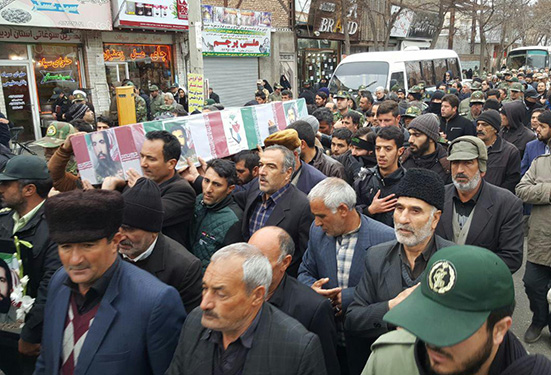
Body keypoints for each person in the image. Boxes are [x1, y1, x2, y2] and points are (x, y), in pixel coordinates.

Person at [36, 189, 186, 375]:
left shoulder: (154, 302)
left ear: (115, 241)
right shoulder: (58, 282)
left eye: (88, 245)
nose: (75, 259)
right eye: (66, 247)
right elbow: (47, 361)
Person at [363, 246, 551, 375]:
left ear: (499, 329)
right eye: (426, 319)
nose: (432, 341)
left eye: (453, 329)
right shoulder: (388, 359)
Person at [345, 169, 454, 375]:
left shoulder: (454, 261)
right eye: (399, 208)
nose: (403, 218)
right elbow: (354, 319)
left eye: (415, 211)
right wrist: (391, 307)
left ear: (435, 219)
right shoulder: (376, 257)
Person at [166, 243, 327, 375]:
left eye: (220, 294)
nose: (204, 304)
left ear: (257, 296)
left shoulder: (297, 347)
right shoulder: (195, 323)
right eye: (205, 288)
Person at [298, 178, 395, 375]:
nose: (316, 223)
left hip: (365, 347)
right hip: (329, 343)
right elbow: (305, 271)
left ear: (343, 210)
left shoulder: (386, 239)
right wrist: (313, 291)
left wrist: (347, 298)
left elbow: (393, 292)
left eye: (321, 216)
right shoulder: (317, 233)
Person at [249, 226, 340, 375]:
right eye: (248, 258)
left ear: (285, 263)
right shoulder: (236, 292)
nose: (251, 267)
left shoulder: (312, 308)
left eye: (261, 261)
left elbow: (324, 366)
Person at [0, 156, 60, 374]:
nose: (1, 189)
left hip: (32, 339)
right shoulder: (4, 219)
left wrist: (31, 335)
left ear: (29, 189)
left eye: (6, 183)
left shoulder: (54, 227)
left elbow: (50, 287)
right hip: (5, 328)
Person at [435, 136, 523, 273]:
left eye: (467, 163)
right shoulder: (437, 197)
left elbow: (511, 258)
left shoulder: (507, 204)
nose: (459, 170)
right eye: (455, 163)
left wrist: (469, 274)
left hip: (483, 287)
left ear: (482, 168)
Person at [119, 177, 202, 313]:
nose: (120, 236)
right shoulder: (107, 251)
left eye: (129, 229)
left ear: (153, 232)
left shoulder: (184, 268)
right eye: (118, 227)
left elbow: (187, 324)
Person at [103, 131, 196, 247]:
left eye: (151, 159)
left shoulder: (182, 191)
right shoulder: (137, 182)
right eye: (142, 156)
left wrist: (107, 193)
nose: (143, 164)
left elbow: (144, 217)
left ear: (171, 164)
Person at [233, 144, 314, 277]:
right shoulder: (255, 188)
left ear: (288, 173)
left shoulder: (303, 206)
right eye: (261, 165)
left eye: (271, 167)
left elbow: (306, 257)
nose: (262, 172)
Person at [517, 147, 551, 343]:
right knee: (531, 283)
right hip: (541, 239)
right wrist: (547, 190)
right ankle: (539, 319)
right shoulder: (540, 162)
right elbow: (521, 190)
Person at [189, 159, 243, 271]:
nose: (208, 189)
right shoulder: (199, 200)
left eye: (216, 184)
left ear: (230, 189)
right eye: (206, 181)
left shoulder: (233, 221)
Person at [354, 126, 406, 227]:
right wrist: (369, 210)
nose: (381, 154)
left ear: (400, 151)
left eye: (388, 149)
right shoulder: (363, 180)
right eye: (378, 148)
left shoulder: (409, 183)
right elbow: (350, 214)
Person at [263, 129, 326, 195]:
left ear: (294, 155)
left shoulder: (318, 183)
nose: (263, 171)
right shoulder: (261, 180)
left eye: (278, 158)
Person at [476, 109, 521, 193]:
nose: (479, 128)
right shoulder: (472, 148)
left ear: (495, 129)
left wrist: (497, 197)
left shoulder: (510, 152)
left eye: (484, 125)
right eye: (478, 124)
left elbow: (512, 181)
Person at [402, 114, 451, 184]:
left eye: (416, 135)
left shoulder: (446, 167)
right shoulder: (403, 160)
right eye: (410, 134)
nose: (410, 140)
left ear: (431, 138)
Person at [521, 110, 551, 176]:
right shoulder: (531, 147)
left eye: (542, 127)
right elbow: (523, 174)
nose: (538, 129)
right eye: (538, 126)